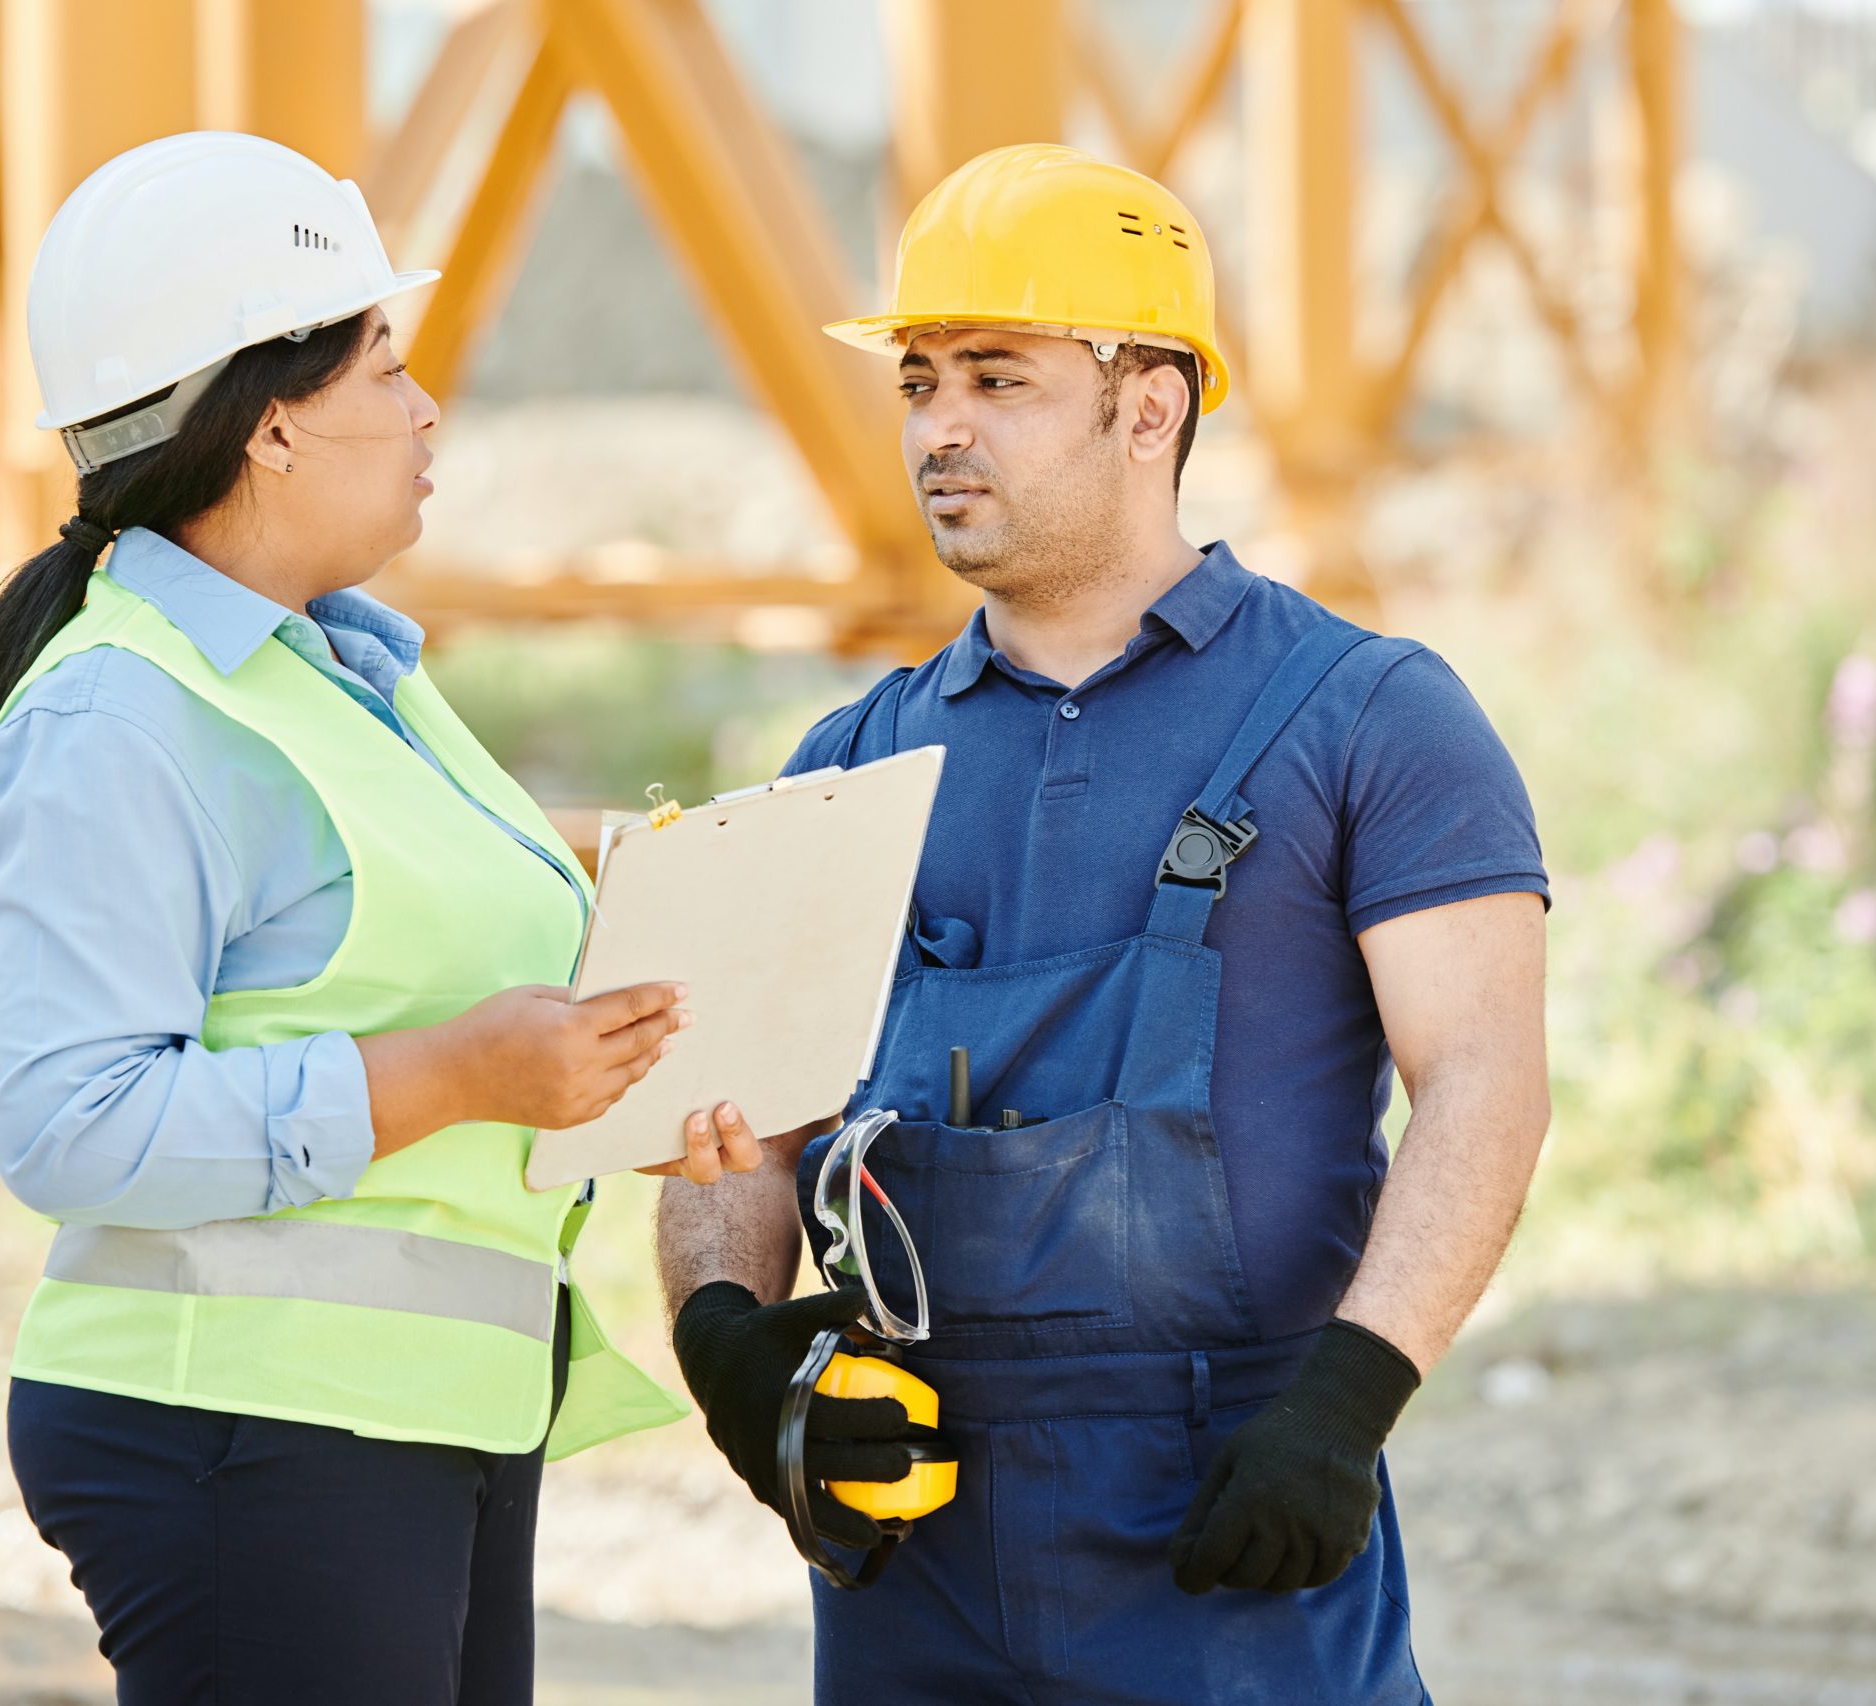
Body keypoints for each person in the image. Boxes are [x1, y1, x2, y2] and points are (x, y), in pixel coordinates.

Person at [655, 143, 1553, 1703]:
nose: (939, 426)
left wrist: (1348, 1399)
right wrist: (733, 1345)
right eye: (920, 381)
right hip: (912, 1538)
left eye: (997, 379)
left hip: (1232, 1510)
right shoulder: (842, 766)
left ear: (1152, 407)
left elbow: (1484, 1078)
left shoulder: (1370, 719)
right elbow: (725, 1127)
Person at [0, 132, 765, 1705]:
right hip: (245, 1431)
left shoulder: (355, 677)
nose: (427, 406)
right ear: (270, 429)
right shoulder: (126, 713)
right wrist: (457, 1075)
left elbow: (406, 1009)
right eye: (384, 363)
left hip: (410, 1419)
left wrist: (592, 1090)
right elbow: (68, 1120)